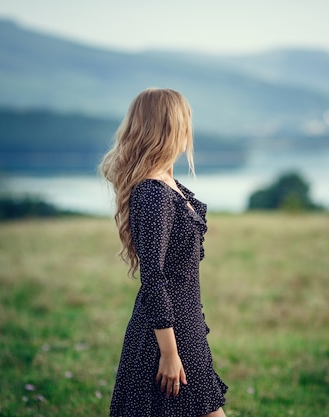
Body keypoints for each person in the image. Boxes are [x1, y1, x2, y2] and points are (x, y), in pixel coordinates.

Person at [100, 88, 228, 417]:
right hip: (166, 337)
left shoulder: (168, 183)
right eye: (186, 119)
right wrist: (169, 353)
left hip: (186, 328)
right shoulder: (152, 193)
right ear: (172, 125)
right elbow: (154, 278)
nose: (190, 127)